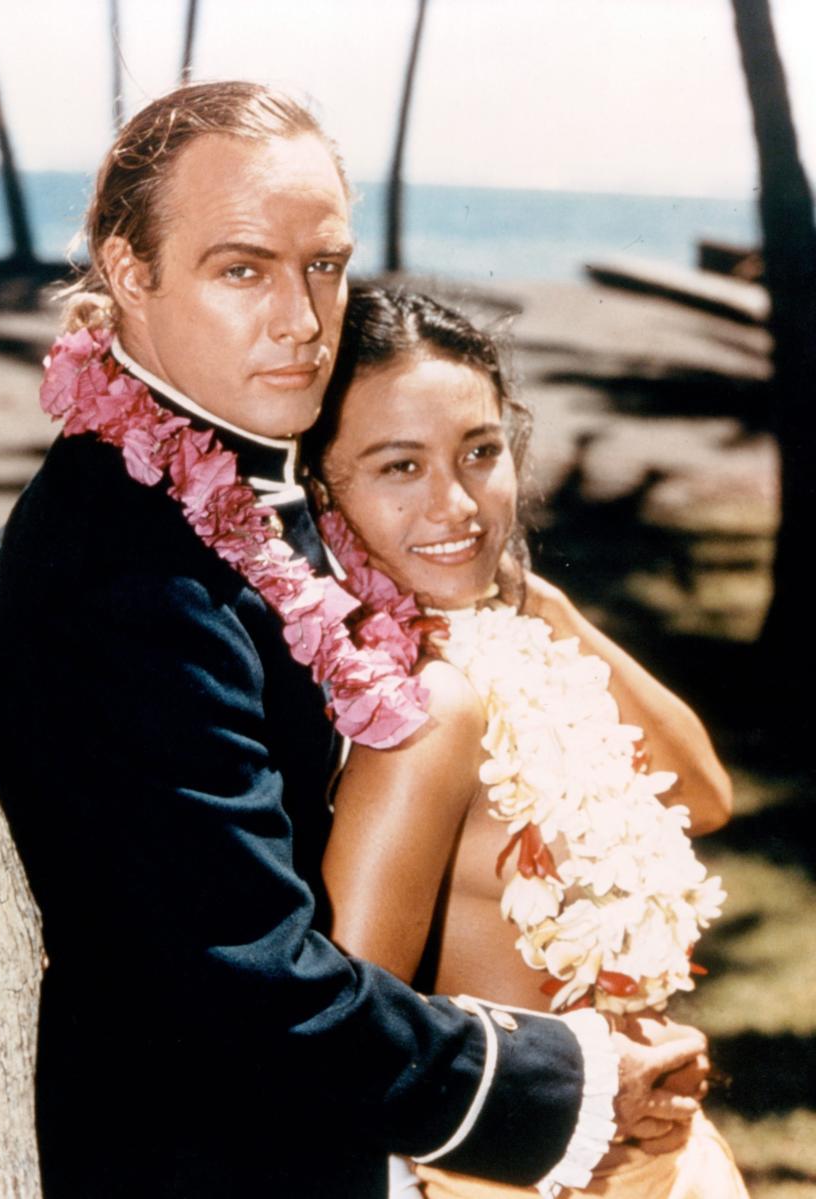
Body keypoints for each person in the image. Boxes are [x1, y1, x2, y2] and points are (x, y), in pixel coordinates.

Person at [0, 83, 707, 1198]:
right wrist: (567, 1082)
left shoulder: (247, 493)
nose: (305, 322)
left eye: (324, 265)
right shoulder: (120, 571)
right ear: (128, 270)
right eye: (243, 268)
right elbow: (245, 976)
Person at [306, 285, 749, 1198]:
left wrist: (535, 600)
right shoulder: (421, 711)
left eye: (479, 452)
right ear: (322, 492)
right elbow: (351, 1043)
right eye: (399, 467)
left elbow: (701, 793)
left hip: (667, 1161)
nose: (457, 504)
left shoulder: (516, 642)